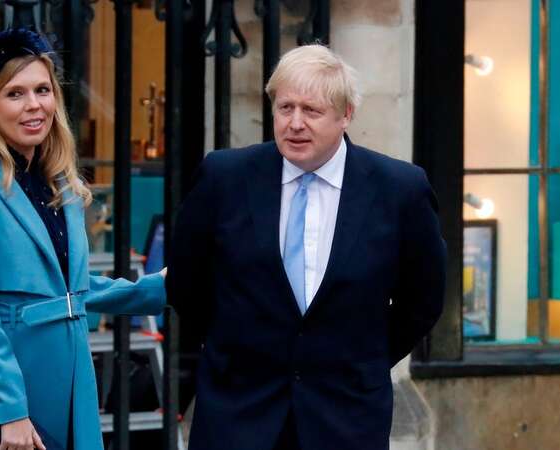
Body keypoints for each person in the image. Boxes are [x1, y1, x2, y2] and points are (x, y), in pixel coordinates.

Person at [167, 44, 446, 450]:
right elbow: (187, 283)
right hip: (238, 413)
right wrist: (233, 347)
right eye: (285, 108)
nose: (295, 123)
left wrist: (359, 358)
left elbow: (423, 299)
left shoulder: (400, 190)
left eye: (311, 111)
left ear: (346, 114)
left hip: (345, 417)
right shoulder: (223, 177)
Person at [0, 28, 166, 450]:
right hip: (1, 390)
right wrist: (8, 410)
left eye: (43, 90)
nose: (35, 105)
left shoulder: (57, 182)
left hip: (67, 383)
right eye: (15, 94)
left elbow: (68, 291)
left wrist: (156, 290)